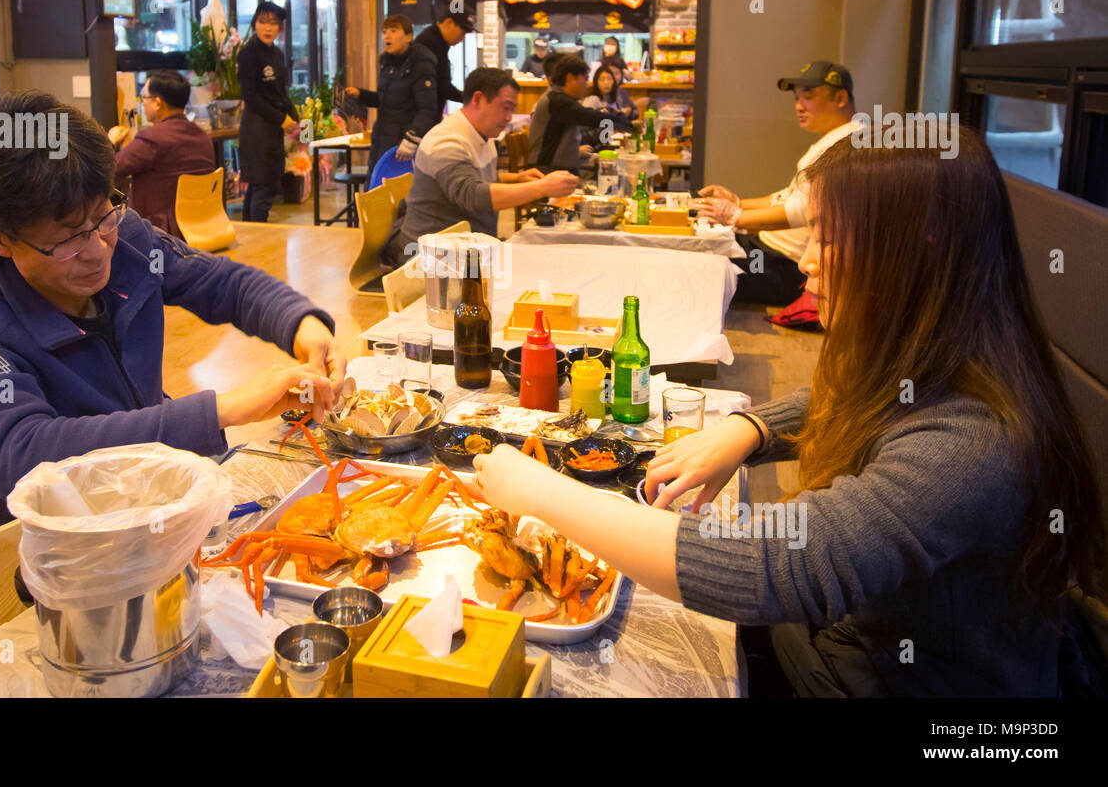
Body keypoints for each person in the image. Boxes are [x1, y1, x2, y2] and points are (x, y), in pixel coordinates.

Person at [472, 128, 1108, 697]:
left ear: (918, 252)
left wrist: (538, 492)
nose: (805, 260)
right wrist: (748, 429)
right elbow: (845, 398)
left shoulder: (974, 443)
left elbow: (780, 567)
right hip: (852, 639)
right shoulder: (938, 357)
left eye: (828, 240)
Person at [0, 89, 346, 502]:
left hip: (159, 487)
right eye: (68, 238)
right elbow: (25, 457)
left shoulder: (128, 240)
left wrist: (302, 325)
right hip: (71, 534)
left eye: (102, 214)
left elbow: (224, 284)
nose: (97, 250)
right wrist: (223, 409)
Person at [699, 60, 861, 307]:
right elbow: (789, 196)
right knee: (701, 243)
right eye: (796, 98)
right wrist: (737, 203)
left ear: (840, 98)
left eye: (808, 96)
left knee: (702, 267)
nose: (799, 106)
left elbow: (804, 211)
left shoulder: (847, 146)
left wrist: (736, 218)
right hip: (767, 250)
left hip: (784, 267)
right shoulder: (834, 140)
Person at [382, 68, 579, 267]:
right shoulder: (445, 141)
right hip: (431, 258)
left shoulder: (482, 134)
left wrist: (516, 178)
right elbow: (473, 195)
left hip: (468, 250)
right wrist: (542, 188)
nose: (510, 117)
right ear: (478, 99)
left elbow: (479, 176)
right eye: (506, 107)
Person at [107, 69, 217, 237]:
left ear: (158, 103)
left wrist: (110, 142)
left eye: (144, 97)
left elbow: (107, 170)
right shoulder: (202, 137)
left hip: (159, 232)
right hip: (202, 225)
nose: (142, 103)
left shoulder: (153, 139)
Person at [346, 14, 438, 168]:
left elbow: (427, 109)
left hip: (403, 143)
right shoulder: (386, 63)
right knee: (375, 187)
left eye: (393, 31)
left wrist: (411, 140)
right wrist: (361, 95)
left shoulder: (421, 64)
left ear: (409, 37)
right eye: (384, 32)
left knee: (397, 188)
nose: (386, 36)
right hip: (382, 137)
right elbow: (385, 100)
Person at [236, 2, 299, 223]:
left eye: (273, 23)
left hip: (273, 128)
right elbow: (250, 97)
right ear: (255, 24)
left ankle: (250, 233)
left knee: (263, 185)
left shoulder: (277, 55)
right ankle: (257, 238)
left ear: (280, 27)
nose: (268, 28)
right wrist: (282, 119)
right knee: (261, 187)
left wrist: (294, 116)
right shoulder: (248, 54)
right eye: (263, 22)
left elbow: (280, 92)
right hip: (256, 129)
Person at [528, 55, 633, 173]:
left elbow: (590, 121)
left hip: (559, 168)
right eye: (585, 78)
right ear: (570, 78)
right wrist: (628, 125)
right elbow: (591, 117)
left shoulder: (562, 99)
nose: (587, 84)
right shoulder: (557, 100)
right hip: (546, 170)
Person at [414, 10, 474, 115]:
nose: (463, 38)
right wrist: (469, 99)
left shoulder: (435, 39)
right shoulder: (431, 43)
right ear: (448, 23)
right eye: (463, 32)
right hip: (421, 117)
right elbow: (442, 87)